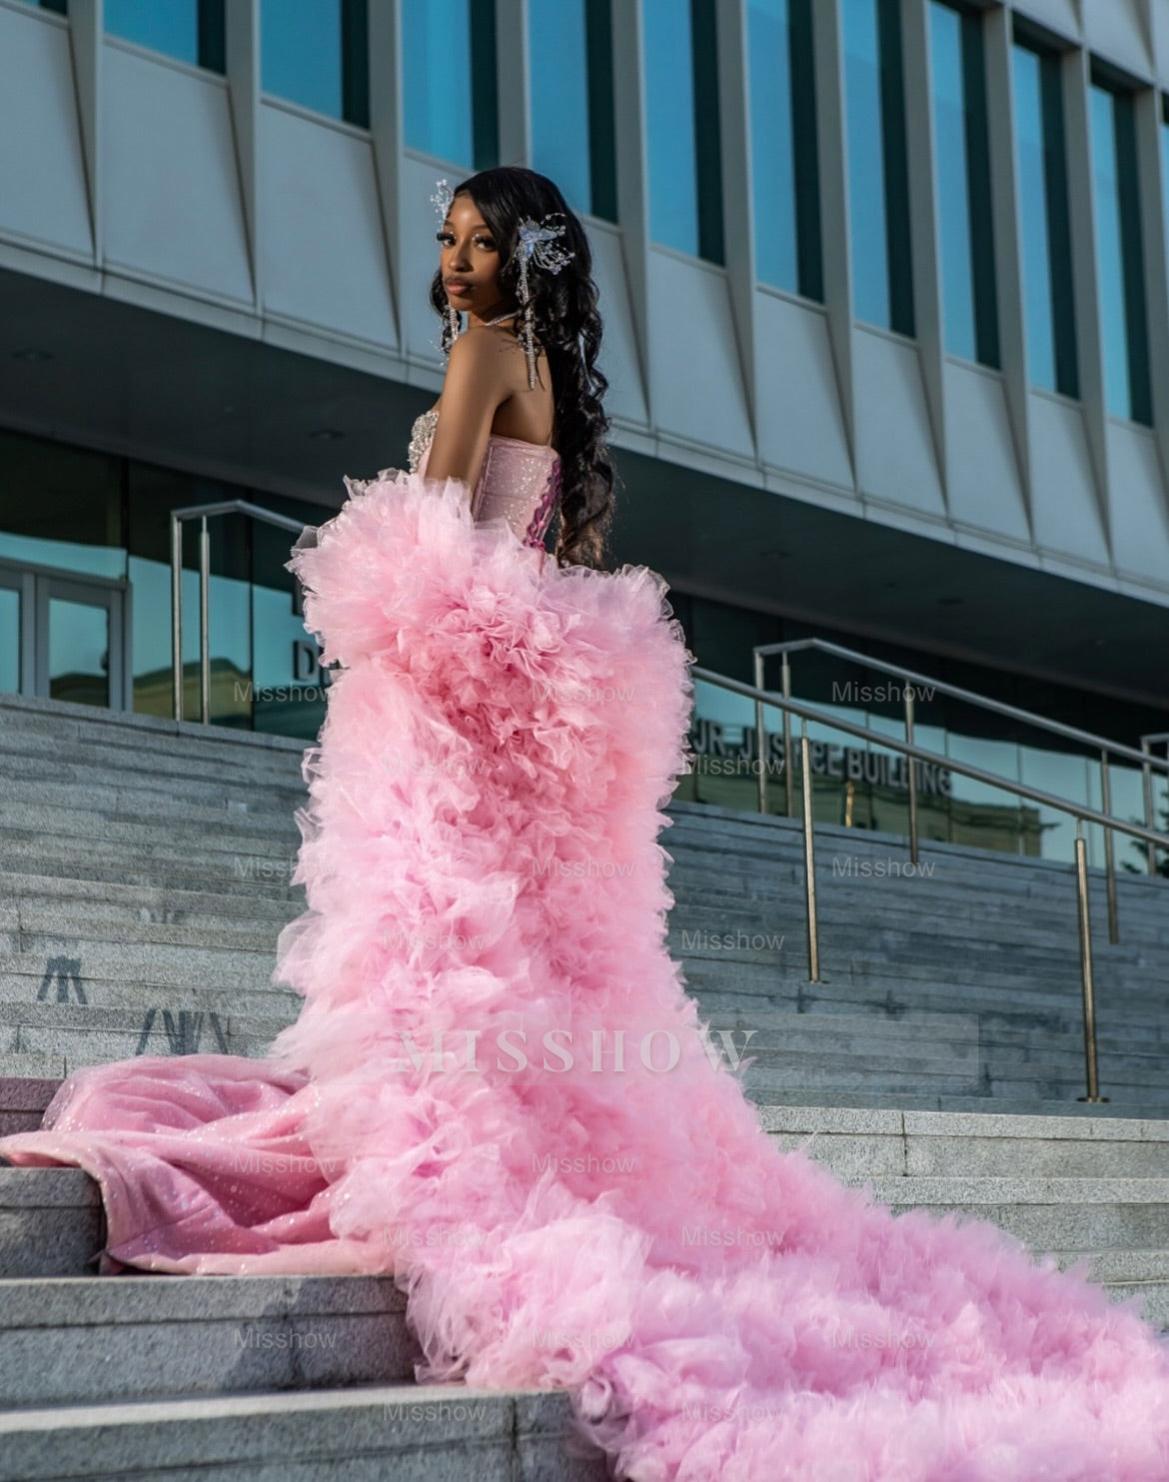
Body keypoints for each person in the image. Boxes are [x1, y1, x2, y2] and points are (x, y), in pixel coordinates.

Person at [2, 166, 1168, 1481]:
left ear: (523, 261)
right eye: (443, 242)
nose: (449, 265)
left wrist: (389, 640)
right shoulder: (544, 370)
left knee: (437, 980)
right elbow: (519, 560)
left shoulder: (487, 355)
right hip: (501, 717)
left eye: (473, 244)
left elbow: (429, 546)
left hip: (453, 719)